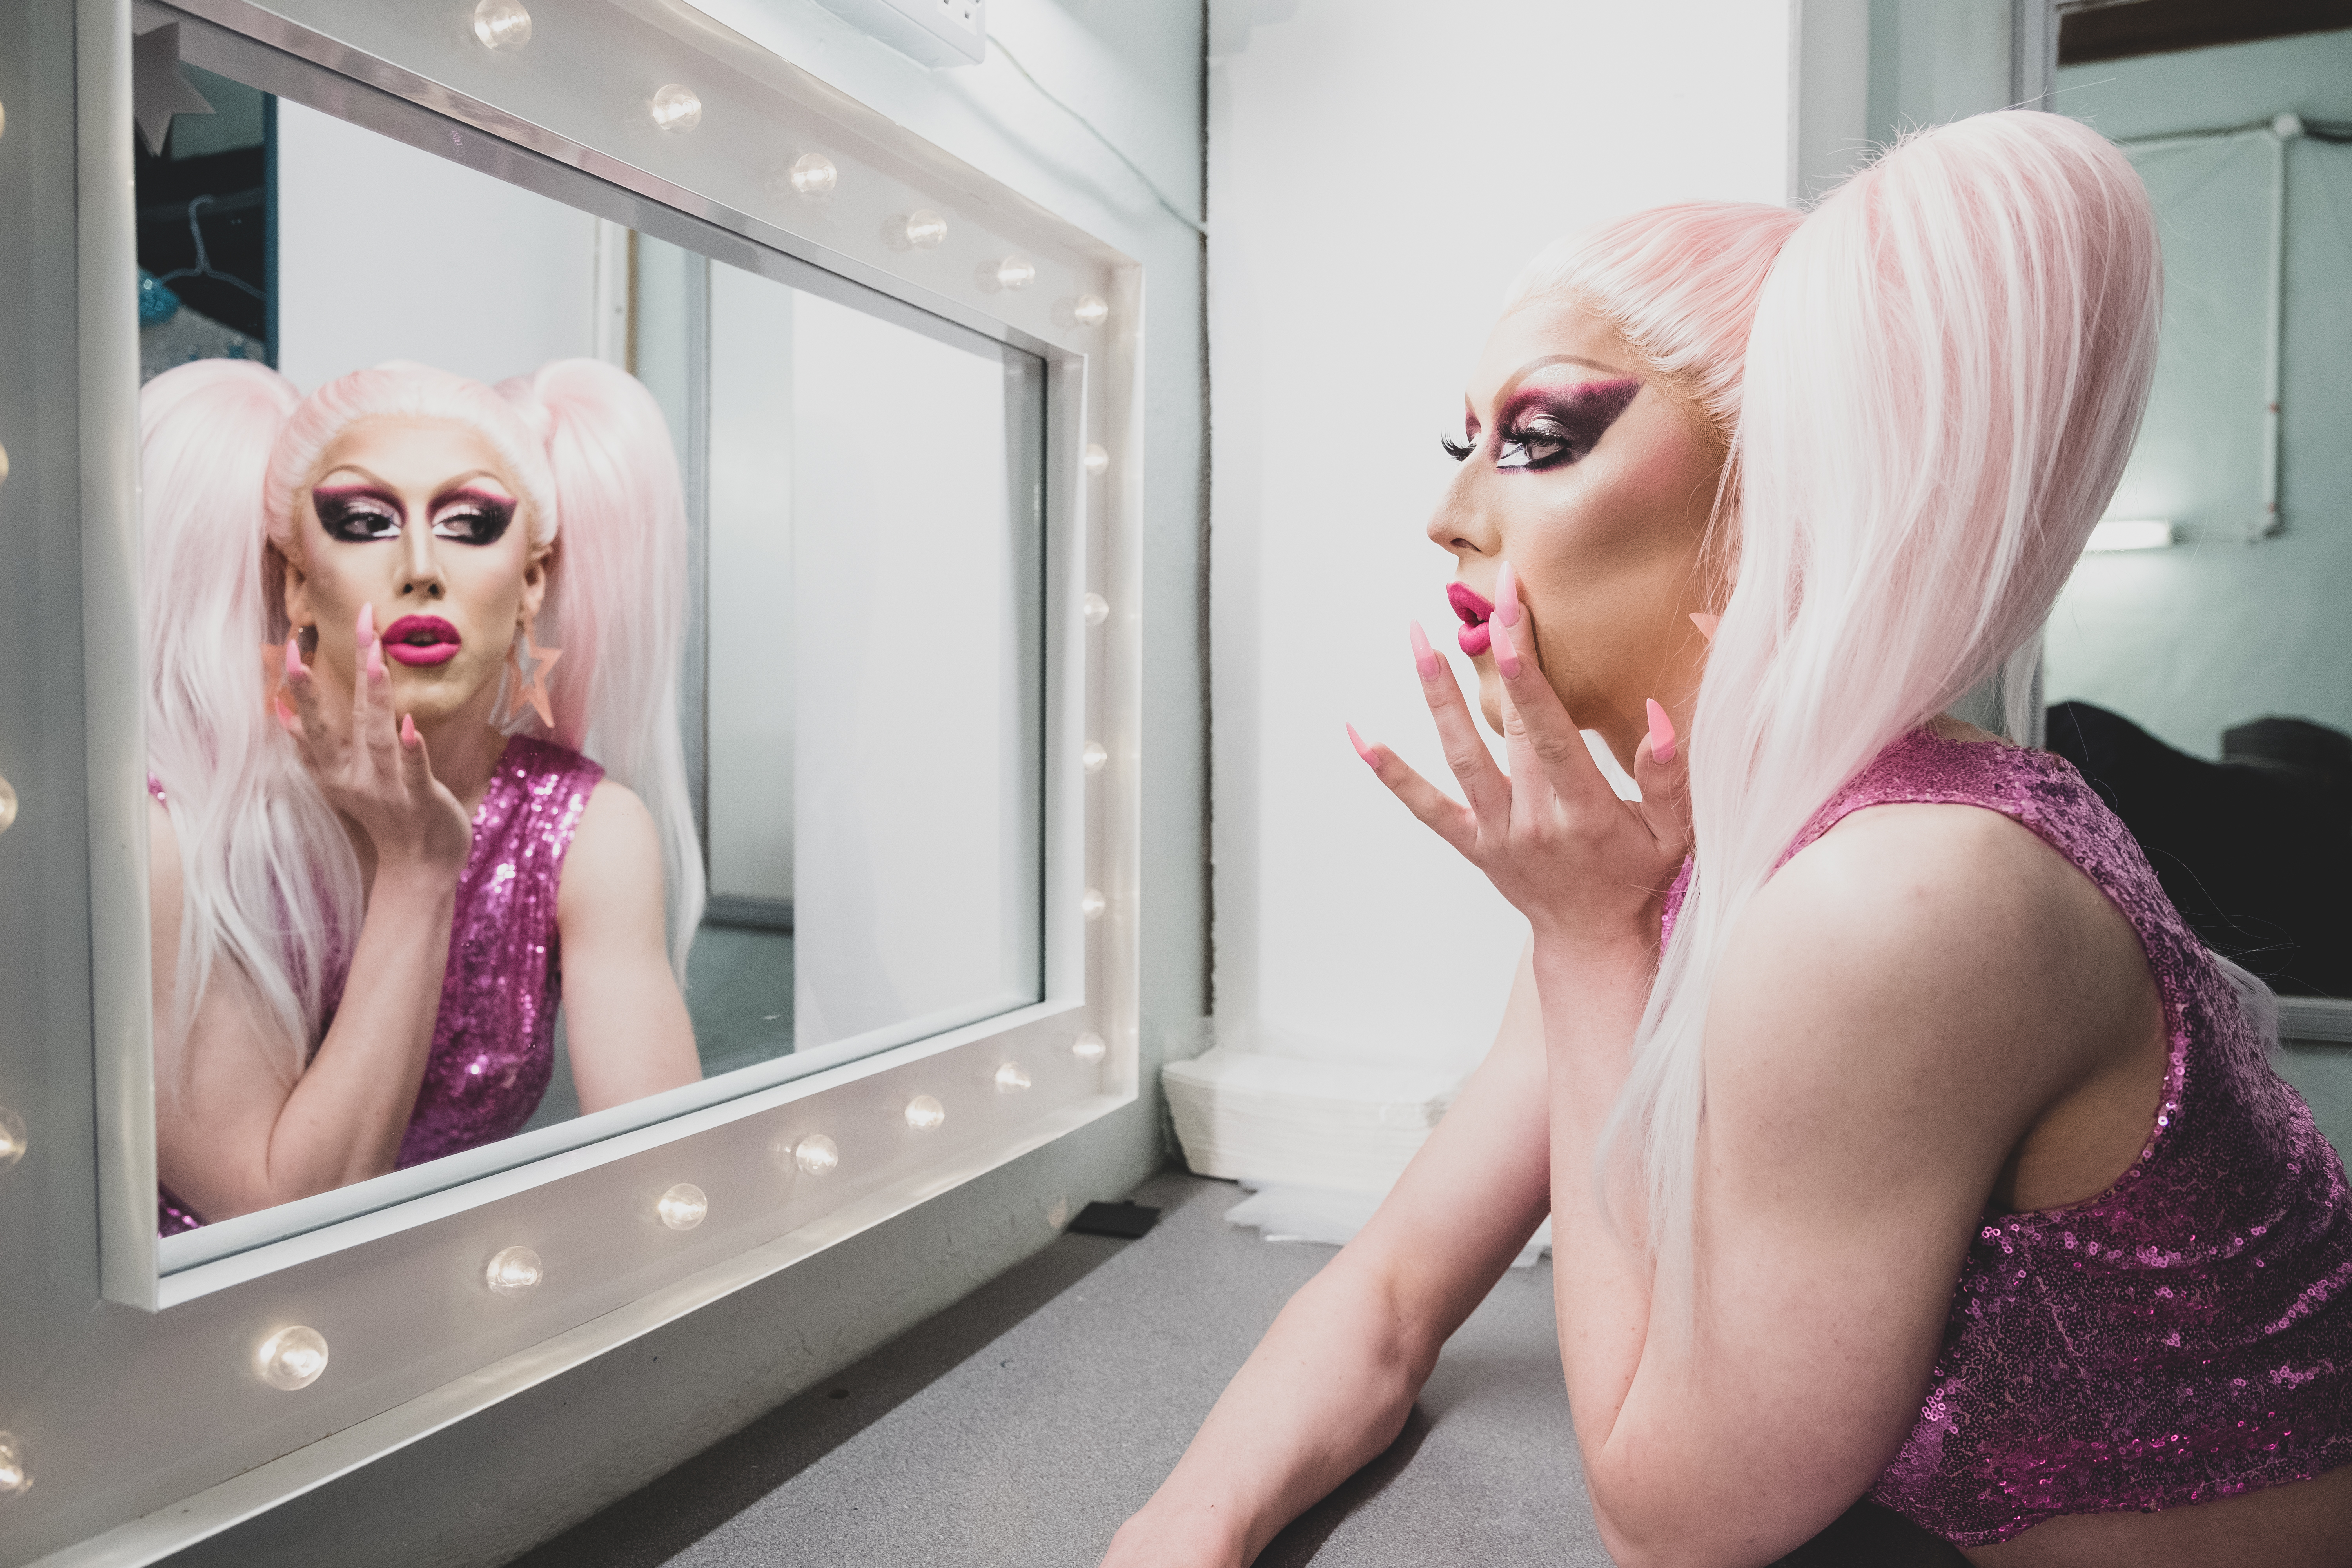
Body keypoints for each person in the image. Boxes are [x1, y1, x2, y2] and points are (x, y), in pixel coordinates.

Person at [1107, 111, 2352, 1566]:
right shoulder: (1676, 849)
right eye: (1465, 444)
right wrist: (1170, 1540)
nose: (1450, 517)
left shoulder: (1899, 896)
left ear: (1773, 497)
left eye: (1539, 441)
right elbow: (1388, 1299)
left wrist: (1584, 947)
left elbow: (1668, 1527)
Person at [142, 357, 705, 1232]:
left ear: (531, 582)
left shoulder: (586, 830)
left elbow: (675, 1180)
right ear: (295, 578)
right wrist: (418, 865)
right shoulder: (184, 827)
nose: (418, 567)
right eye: (364, 521)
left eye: (471, 523)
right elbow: (282, 1218)